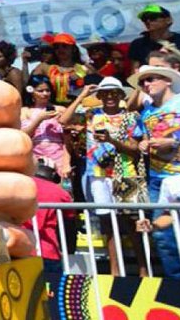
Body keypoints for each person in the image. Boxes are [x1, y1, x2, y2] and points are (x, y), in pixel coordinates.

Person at [60, 77, 147, 276]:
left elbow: (135, 151)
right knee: (108, 224)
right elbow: (63, 121)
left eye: (114, 93)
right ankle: (115, 271)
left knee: (133, 223)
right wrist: (82, 95)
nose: (110, 97)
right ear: (99, 96)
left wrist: (111, 140)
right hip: (97, 175)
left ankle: (144, 270)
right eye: (105, 93)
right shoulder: (90, 115)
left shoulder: (132, 117)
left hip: (125, 173)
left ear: (121, 96)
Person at [129, 64, 180, 278]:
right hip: (158, 179)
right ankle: (177, 285)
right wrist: (143, 144)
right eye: (143, 81)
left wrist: (173, 141)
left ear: (168, 80)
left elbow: (171, 140)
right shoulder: (147, 112)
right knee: (163, 236)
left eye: (152, 79)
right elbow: (145, 138)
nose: (146, 84)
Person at [28, 163, 74, 284]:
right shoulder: (61, 193)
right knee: (51, 297)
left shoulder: (20, 186)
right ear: (53, 174)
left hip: (21, 249)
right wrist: (69, 251)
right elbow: (69, 225)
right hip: (49, 251)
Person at [21, 74, 70, 181]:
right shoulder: (24, 111)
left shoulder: (60, 110)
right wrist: (39, 119)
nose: (45, 94)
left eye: (47, 90)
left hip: (58, 156)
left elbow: (67, 140)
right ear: (31, 91)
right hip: (34, 157)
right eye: (40, 90)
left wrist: (66, 162)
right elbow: (23, 136)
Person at [33, 33, 90, 107]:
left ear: (74, 49)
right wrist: (25, 64)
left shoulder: (83, 68)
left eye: (64, 46)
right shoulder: (45, 67)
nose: (60, 49)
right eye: (57, 47)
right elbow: (30, 85)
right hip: (53, 108)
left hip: (78, 108)